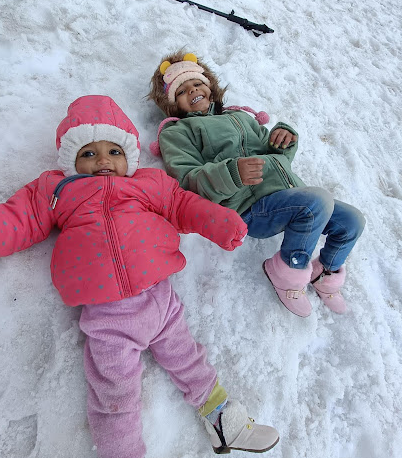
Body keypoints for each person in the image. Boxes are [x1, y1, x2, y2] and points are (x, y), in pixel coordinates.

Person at [0, 95, 279, 458]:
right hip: (107, 317)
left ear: (129, 155)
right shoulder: (56, 191)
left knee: (190, 361)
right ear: (70, 160)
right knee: (114, 402)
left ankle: (224, 420)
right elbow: (13, 219)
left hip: (160, 299)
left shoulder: (148, 184)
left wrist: (219, 222)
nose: (102, 161)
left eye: (114, 151)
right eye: (89, 152)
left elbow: (184, 205)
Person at [148, 52, 365, 318]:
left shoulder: (242, 118)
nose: (192, 90)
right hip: (251, 208)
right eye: (181, 90)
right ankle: (287, 273)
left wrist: (282, 142)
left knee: (352, 220)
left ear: (210, 87)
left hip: (287, 195)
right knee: (316, 201)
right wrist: (232, 173)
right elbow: (188, 181)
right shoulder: (177, 132)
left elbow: (275, 158)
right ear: (172, 104)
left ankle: (325, 273)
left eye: (197, 83)